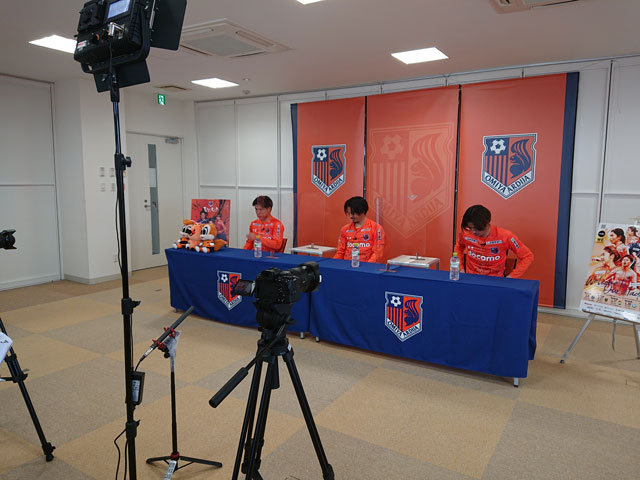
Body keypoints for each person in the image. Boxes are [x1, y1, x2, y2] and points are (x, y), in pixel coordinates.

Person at [454, 205, 533, 278]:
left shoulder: (506, 236)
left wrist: (512, 277)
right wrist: (460, 267)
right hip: (471, 277)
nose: (473, 231)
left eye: (476, 228)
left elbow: (527, 256)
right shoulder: (466, 234)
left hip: (495, 279)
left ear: (487, 223)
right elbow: (458, 248)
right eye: (470, 227)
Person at [333, 196, 385, 263]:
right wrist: (333, 264)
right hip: (346, 265)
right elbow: (340, 252)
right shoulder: (345, 229)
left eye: (353, 213)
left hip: (367, 266)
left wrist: (367, 266)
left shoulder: (376, 228)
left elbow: (377, 253)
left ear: (362, 211)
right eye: (348, 213)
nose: (351, 216)